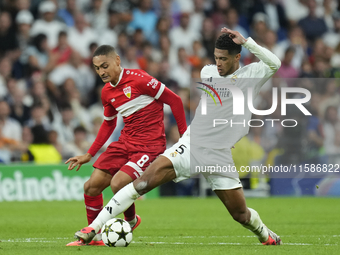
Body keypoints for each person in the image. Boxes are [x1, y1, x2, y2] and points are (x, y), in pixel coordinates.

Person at [72, 28, 283, 246]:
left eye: (223, 59)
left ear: (237, 57)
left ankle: (265, 235)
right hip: (191, 145)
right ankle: (92, 228)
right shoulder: (208, 72)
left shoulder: (252, 76)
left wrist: (247, 42)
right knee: (141, 184)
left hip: (219, 155)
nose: (218, 63)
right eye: (216, 58)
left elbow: (274, 63)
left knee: (241, 215)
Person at [65, 45, 187, 246]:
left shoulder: (140, 79)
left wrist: (184, 138)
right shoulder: (106, 92)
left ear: (117, 61)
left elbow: (175, 100)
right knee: (91, 187)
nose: (102, 72)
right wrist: (89, 154)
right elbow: (109, 123)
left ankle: (129, 221)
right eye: (97, 68)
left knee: (118, 183)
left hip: (149, 146)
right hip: (125, 142)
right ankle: (95, 238)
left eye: (105, 66)